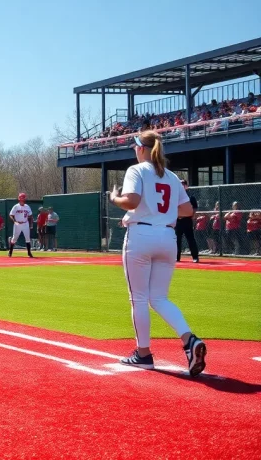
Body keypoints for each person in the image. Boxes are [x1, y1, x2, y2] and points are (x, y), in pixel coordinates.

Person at [107, 130, 206, 376]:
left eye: (135, 146)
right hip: (167, 238)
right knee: (159, 298)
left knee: (139, 298)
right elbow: (186, 210)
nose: (134, 150)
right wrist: (158, 213)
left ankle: (143, 354)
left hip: (141, 237)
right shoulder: (171, 176)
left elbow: (131, 200)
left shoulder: (136, 170)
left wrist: (115, 198)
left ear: (141, 148)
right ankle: (189, 340)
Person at [175, 180, 199, 263]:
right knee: (177, 239)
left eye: (183, 184)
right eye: (180, 184)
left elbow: (195, 207)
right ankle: (176, 257)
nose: (181, 186)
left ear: (186, 186)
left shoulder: (191, 197)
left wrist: (193, 215)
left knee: (190, 239)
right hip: (178, 220)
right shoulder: (175, 196)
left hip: (187, 220)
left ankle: (195, 257)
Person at [8, 193, 34, 258]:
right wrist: (14, 221)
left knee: (27, 238)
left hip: (25, 223)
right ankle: (10, 252)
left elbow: (30, 216)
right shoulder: (16, 206)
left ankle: (29, 253)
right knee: (14, 238)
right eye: (21, 198)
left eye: (23, 198)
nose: (22, 199)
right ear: (19, 199)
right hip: (18, 224)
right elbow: (11, 215)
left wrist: (31, 224)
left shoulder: (27, 206)